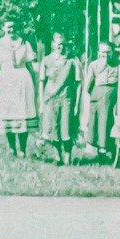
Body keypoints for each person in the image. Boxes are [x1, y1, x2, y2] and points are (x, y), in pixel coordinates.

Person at [0, 20, 37, 156]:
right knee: (8, 115)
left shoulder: (24, 43)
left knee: (23, 114)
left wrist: (34, 85)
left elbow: (30, 67)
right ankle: (12, 148)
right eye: (9, 27)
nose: (11, 29)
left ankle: (23, 149)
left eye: (14, 26)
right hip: (5, 82)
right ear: (3, 27)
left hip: (23, 80)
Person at [36, 32, 79, 163]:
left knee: (67, 126)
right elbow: (41, 82)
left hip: (67, 97)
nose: (61, 47)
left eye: (64, 44)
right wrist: (41, 102)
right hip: (51, 97)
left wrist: (77, 104)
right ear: (53, 44)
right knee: (53, 126)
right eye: (59, 44)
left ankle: (67, 155)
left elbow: (78, 83)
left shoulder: (72, 60)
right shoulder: (46, 60)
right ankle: (57, 154)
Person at [81, 41, 120, 159]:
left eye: (108, 52)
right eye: (103, 52)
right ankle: (101, 152)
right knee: (98, 124)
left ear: (113, 52)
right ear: (98, 53)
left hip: (114, 99)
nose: (106, 55)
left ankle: (113, 151)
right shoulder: (93, 65)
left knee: (111, 123)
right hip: (98, 99)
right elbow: (88, 86)